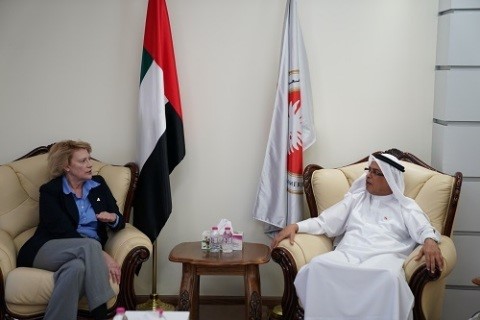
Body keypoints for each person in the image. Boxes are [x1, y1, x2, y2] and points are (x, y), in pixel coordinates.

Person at [271, 153, 444, 320]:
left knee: (390, 279)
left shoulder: (405, 206)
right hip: (349, 254)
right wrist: (297, 226)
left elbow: (424, 228)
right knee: (317, 266)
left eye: (376, 173)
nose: (369, 175)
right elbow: (325, 221)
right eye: (369, 170)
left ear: (391, 180)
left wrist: (429, 241)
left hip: (384, 258)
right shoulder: (356, 199)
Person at [17, 140, 125, 320]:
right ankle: (100, 315)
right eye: (83, 161)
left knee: (76, 269)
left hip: (84, 254)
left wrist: (113, 218)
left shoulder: (98, 185)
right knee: (90, 247)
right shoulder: (50, 191)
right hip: (46, 249)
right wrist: (101, 254)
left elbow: (119, 219)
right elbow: (61, 230)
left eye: (89, 159)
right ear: (66, 166)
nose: (90, 164)